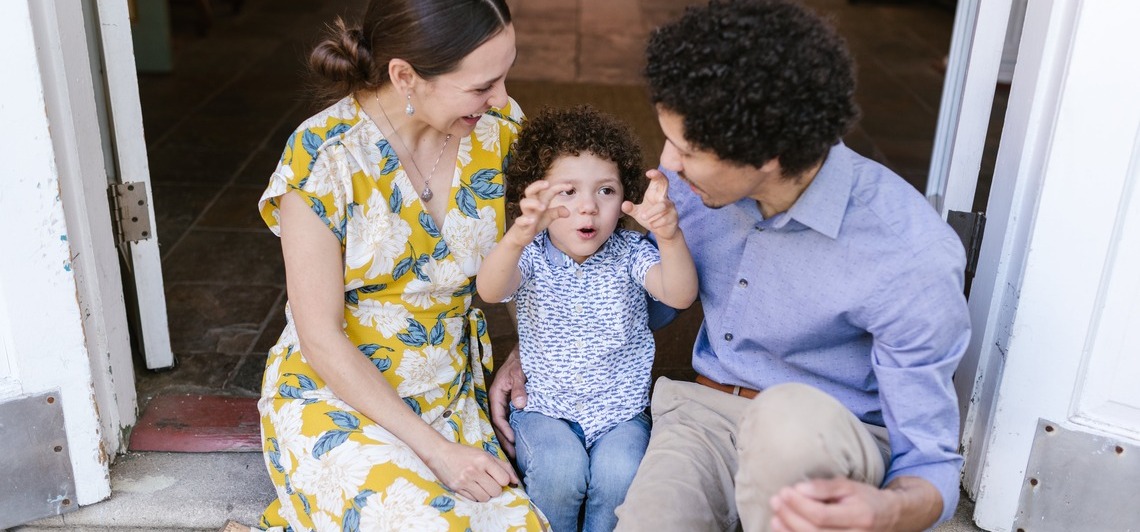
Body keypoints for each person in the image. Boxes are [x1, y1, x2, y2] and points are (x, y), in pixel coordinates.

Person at [489, 1, 972, 531]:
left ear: (764, 157)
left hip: (825, 430)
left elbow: (929, 460)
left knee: (786, 420)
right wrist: (533, 349)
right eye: (668, 137)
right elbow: (631, 298)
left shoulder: (909, 252)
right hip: (704, 417)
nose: (667, 162)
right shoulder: (690, 192)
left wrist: (888, 510)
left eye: (688, 149)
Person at [255, 1, 549, 530]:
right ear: (405, 75)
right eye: (482, 85)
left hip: (449, 386)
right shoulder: (324, 155)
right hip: (338, 392)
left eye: (506, 76)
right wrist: (438, 453)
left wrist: (523, 350)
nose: (501, 96)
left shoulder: (500, 127)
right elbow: (320, 337)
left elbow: (541, 256)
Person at [476, 106, 699, 532]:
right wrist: (519, 233)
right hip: (545, 408)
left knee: (621, 476)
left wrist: (668, 236)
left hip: (621, 413)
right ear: (537, 197)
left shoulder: (631, 252)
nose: (588, 208)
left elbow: (681, 294)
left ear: (625, 198)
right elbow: (490, 289)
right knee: (560, 473)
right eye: (568, 193)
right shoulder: (533, 253)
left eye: (606, 191)